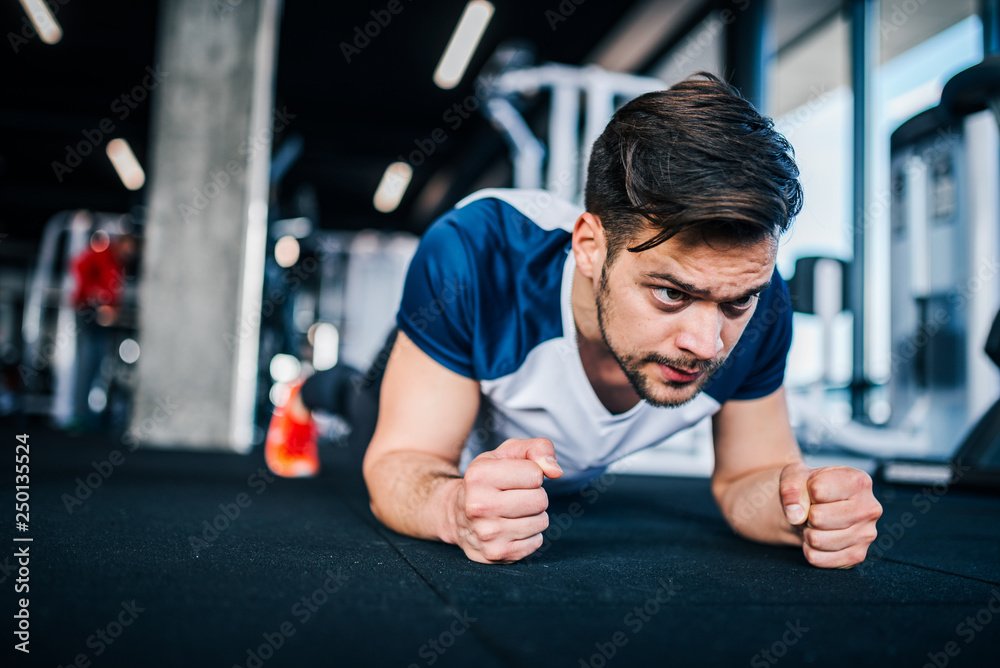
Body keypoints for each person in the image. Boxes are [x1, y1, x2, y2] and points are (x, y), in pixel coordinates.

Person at [265, 73, 882, 568]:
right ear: (588, 247)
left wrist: (803, 506)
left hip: (551, 461)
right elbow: (406, 460)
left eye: (734, 303)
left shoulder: (758, 298)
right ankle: (307, 393)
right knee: (353, 401)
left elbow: (749, 475)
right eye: (670, 293)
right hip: (436, 416)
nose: (705, 342)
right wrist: (454, 507)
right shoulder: (476, 252)